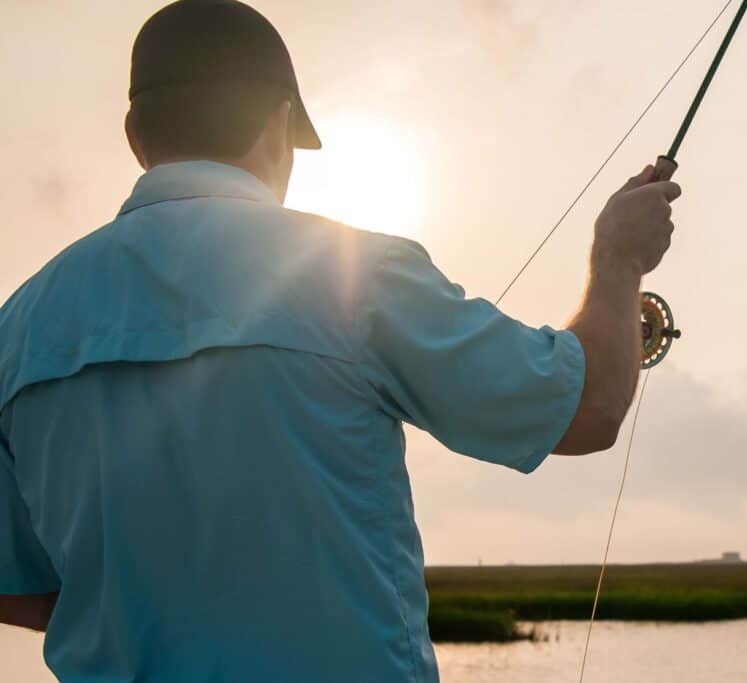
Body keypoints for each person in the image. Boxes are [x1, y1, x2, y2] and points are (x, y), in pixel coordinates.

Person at [0, 1, 680, 680]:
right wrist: (618, 260)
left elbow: (14, 585)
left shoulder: (17, 328)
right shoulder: (355, 275)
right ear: (280, 121)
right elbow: (589, 405)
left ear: (134, 136)